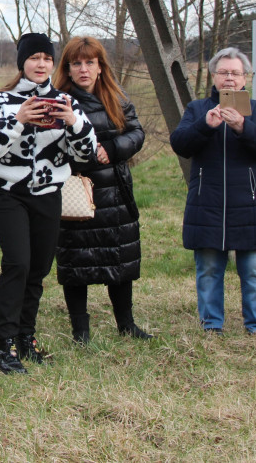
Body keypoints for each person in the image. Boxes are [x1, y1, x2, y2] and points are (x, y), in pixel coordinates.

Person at [0, 33, 96, 374]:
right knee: (17, 263)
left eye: (47, 58)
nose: (41, 64)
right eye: (34, 58)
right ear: (22, 62)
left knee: (39, 269)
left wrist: (73, 123)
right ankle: (6, 345)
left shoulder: (64, 102)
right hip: (10, 195)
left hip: (48, 195)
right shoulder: (0, 101)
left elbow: (86, 153)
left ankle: (27, 337)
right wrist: (19, 120)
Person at [169, 47, 256, 337]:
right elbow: (180, 144)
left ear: (245, 78)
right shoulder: (197, 109)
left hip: (251, 203)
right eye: (224, 72)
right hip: (208, 203)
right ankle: (211, 326)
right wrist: (205, 126)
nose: (229, 78)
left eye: (235, 73)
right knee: (208, 269)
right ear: (214, 76)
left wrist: (243, 126)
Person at [52, 36, 152, 344]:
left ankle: (127, 324)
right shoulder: (59, 100)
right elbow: (52, 145)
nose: (83, 69)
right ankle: (80, 332)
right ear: (67, 69)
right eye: (77, 63)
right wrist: (88, 154)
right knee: (76, 261)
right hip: (76, 191)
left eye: (89, 63)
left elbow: (137, 132)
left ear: (99, 66)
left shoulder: (116, 96)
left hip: (116, 191)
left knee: (119, 258)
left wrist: (113, 147)